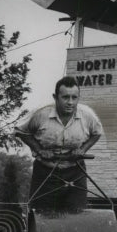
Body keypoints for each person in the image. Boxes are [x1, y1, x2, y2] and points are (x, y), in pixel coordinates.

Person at [15, 77, 104, 213]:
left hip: (75, 170)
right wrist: (39, 150)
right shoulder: (40, 114)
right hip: (45, 171)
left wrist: (82, 149)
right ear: (55, 97)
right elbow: (20, 131)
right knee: (41, 215)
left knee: (76, 215)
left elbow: (97, 133)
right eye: (65, 97)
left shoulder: (87, 115)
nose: (70, 102)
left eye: (74, 98)